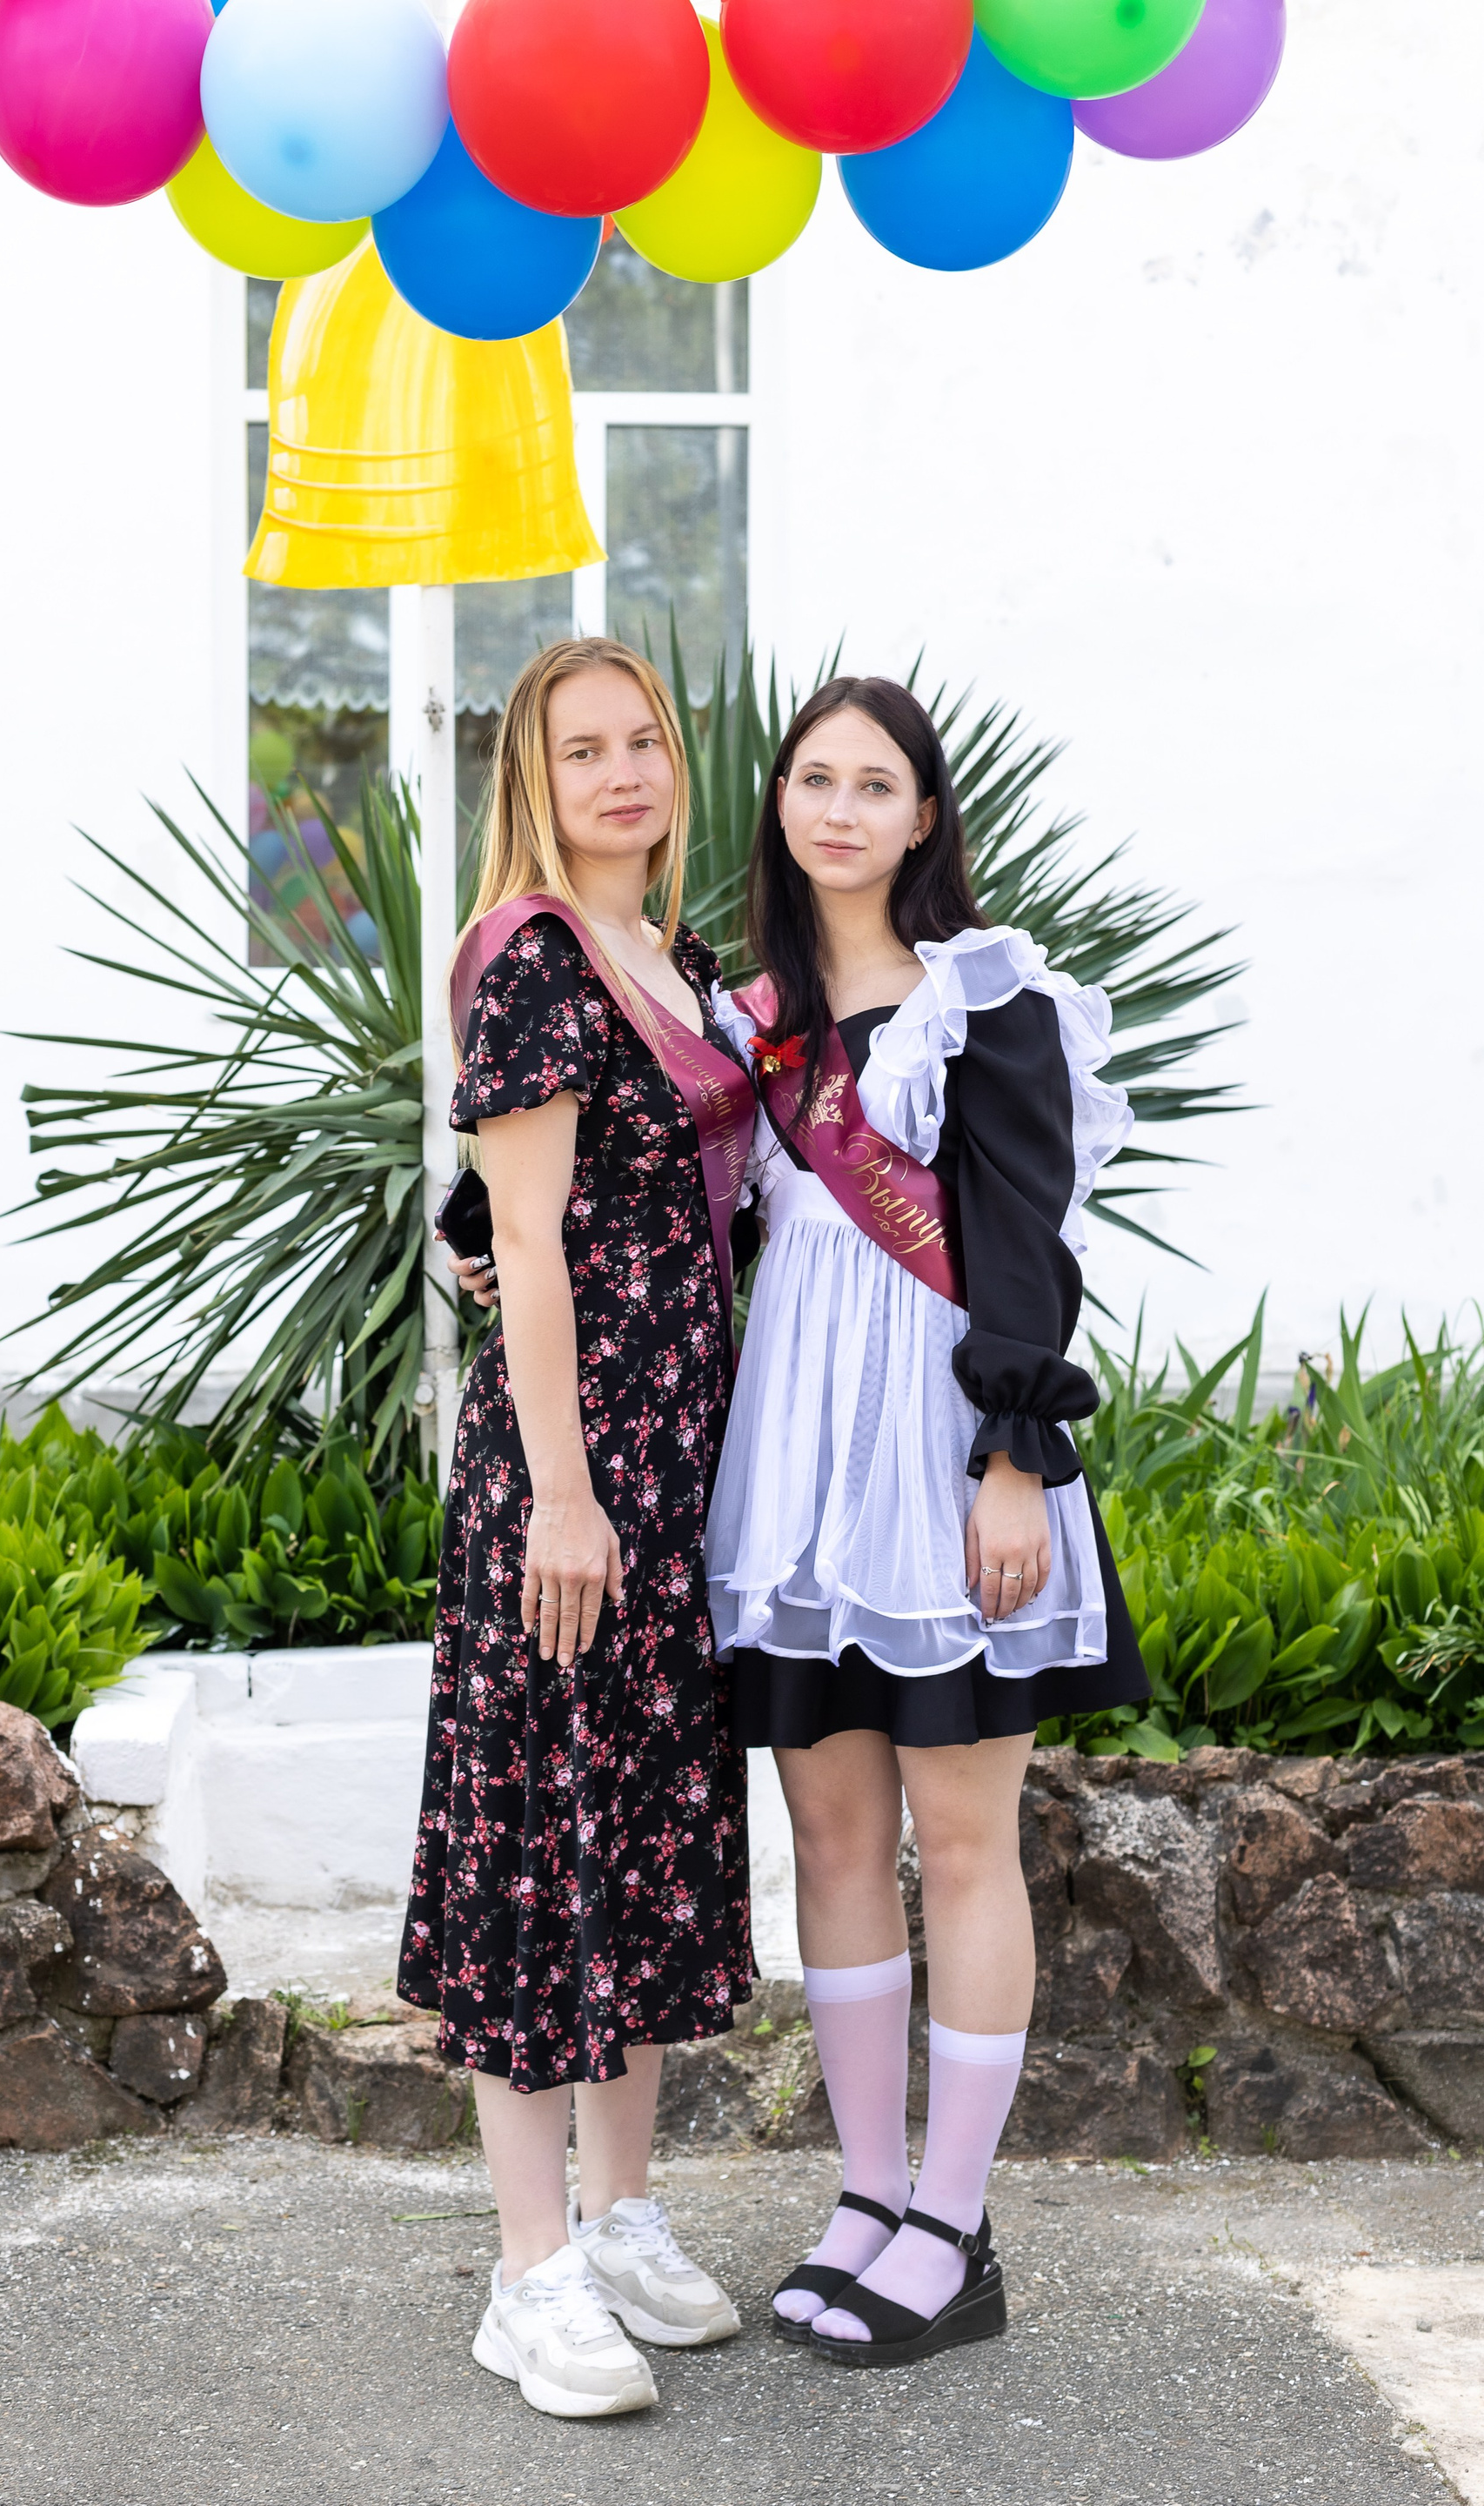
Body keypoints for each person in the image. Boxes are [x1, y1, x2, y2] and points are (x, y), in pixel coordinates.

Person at [705, 675, 1150, 2370]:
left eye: (873, 783)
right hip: (800, 1481)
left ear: (923, 817)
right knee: (829, 1842)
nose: (839, 809)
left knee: (961, 1841)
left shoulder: (988, 998)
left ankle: (954, 2229)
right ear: (783, 804)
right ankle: (867, 2196)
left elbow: (1028, 1239)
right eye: (814, 778)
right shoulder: (750, 1019)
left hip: (948, 1458)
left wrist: (1015, 1460)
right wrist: (485, 1229)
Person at [400, 637, 759, 2421]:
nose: (623, 773)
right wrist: (561, 1491)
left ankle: (620, 2221)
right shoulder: (539, 956)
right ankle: (527, 2270)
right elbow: (528, 1241)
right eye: (583, 750)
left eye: (644, 742)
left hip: (678, 1477)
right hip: (575, 1475)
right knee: (541, 1849)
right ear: (533, 784)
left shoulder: (677, 964)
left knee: (643, 1840)